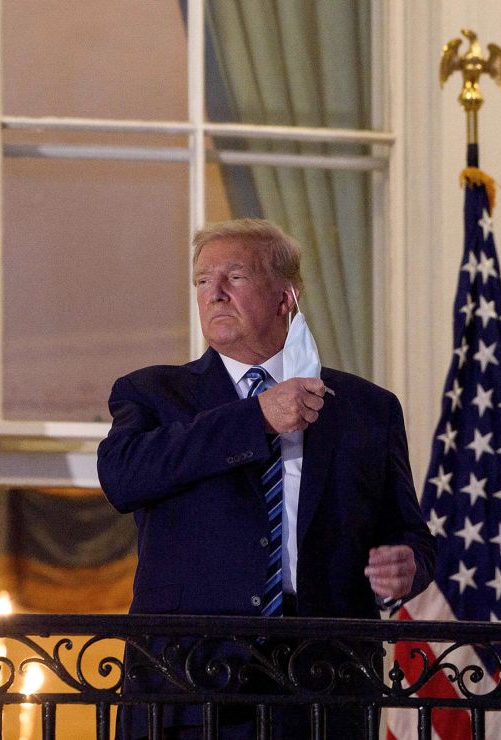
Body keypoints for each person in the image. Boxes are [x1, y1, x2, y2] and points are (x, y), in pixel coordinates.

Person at [97, 218, 435, 739]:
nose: (215, 293)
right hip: (189, 685)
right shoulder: (154, 394)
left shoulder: (369, 409)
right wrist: (256, 416)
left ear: (285, 298)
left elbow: (408, 532)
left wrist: (409, 564)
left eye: (234, 276)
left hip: (324, 683)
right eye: (203, 280)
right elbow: (121, 478)